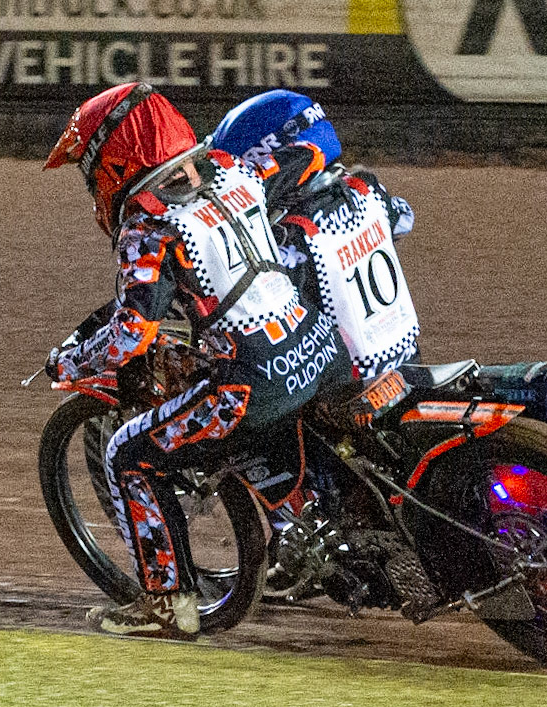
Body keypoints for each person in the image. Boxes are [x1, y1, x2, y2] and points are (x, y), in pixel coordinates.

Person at [43, 82, 352, 638]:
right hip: (324, 348)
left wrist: (70, 363)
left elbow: (130, 335)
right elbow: (313, 151)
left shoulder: (147, 225)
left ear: (115, 161)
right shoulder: (232, 168)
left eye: (91, 174)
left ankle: (168, 603)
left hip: (255, 384)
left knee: (128, 454)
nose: (93, 189)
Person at [212, 90, 420, 379]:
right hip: (407, 363)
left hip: (339, 388)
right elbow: (403, 219)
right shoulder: (367, 189)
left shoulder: (289, 236)